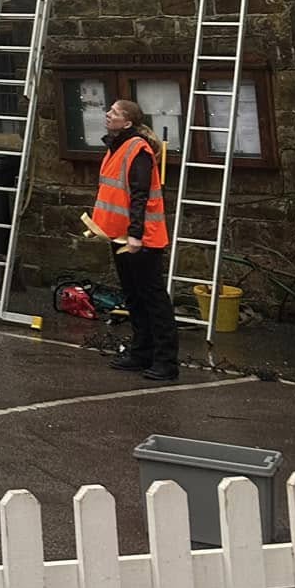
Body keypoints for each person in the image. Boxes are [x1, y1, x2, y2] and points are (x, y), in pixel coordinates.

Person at [95, 97, 179, 382]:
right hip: (120, 235)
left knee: (152, 298)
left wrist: (135, 235)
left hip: (141, 238)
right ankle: (142, 352)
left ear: (127, 122)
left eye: (114, 112)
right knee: (133, 296)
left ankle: (166, 360)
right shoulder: (116, 147)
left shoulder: (137, 150)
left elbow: (139, 196)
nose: (108, 114)